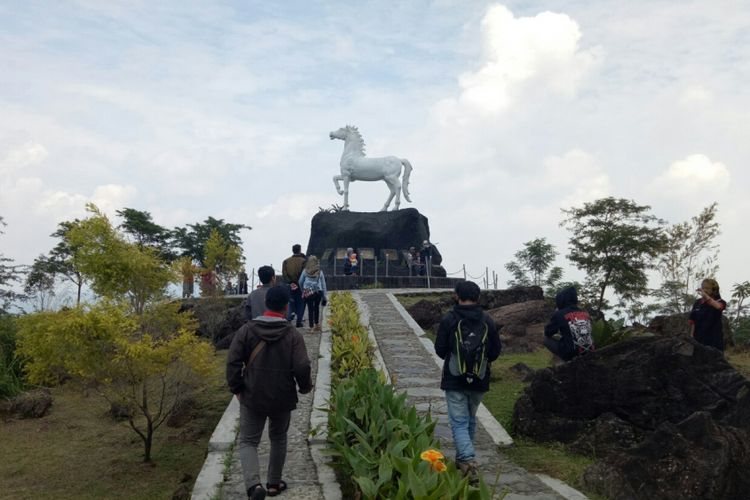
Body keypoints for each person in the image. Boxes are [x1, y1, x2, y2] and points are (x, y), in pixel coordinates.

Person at [226, 285, 313, 500]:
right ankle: (274, 483)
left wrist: (237, 388)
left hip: (253, 393)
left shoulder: (247, 330)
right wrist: (304, 387)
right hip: (282, 395)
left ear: (266, 304)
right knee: (278, 437)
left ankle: (254, 486)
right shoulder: (292, 334)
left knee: (248, 441)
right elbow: (302, 366)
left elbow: (233, 361)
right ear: (286, 307)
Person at [434, 281, 501, 483]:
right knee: (470, 419)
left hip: (455, 377)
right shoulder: (488, 320)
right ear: (478, 297)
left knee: (459, 422)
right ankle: (463, 458)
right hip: (479, 379)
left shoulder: (449, 319)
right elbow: (495, 351)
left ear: (457, 296)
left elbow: (439, 349)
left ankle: (468, 460)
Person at [543, 286, 594, 361]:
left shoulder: (560, 314)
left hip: (571, 353)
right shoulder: (585, 313)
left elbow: (548, 332)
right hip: (589, 350)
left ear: (561, 300)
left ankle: (566, 361)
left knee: (546, 340)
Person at [690, 278, 727, 351]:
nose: (704, 290)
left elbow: (719, 307)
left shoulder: (720, 301)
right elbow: (692, 321)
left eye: (707, 288)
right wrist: (691, 336)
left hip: (714, 340)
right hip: (698, 339)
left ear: (714, 290)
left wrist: (706, 296)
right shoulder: (697, 303)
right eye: (703, 287)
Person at [299, 256, 328, 332]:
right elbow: (323, 284)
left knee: (310, 309)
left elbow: (300, 281)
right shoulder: (320, 271)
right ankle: (317, 324)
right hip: (318, 292)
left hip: (308, 292)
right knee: (316, 308)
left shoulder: (305, 271)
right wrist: (324, 295)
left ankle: (311, 327)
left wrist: (303, 290)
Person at [282, 244, 306, 327]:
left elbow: (284, 275)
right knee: (301, 303)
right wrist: (298, 284)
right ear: (300, 250)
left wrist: (291, 283)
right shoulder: (303, 261)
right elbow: (304, 274)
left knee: (290, 302)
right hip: (300, 286)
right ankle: (299, 322)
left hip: (290, 285)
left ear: (293, 250)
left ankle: (288, 320)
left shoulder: (286, 261)